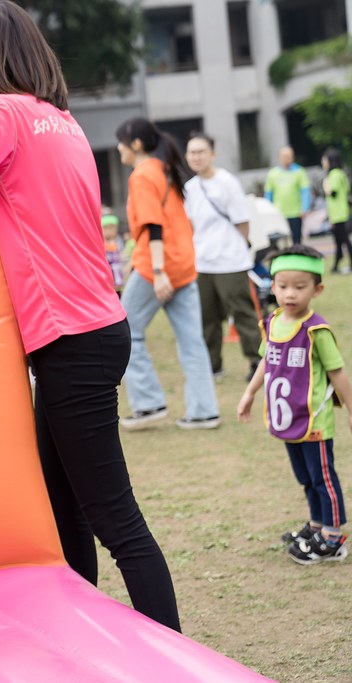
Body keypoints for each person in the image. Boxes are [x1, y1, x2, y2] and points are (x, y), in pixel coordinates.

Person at [0, 0, 181, 632]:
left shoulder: (5, 112)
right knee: (65, 504)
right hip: (94, 328)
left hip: (71, 337)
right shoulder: (59, 121)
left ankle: (173, 657)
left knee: (113, 517)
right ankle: (83, 630)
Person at [238, 245, 348, 564]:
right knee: (305, 477)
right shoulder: (272, 322)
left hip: (314, 420)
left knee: (323, 478)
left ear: (317, 289)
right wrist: (249, 393)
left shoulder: (316, 330)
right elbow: (267, 361)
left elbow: (337, 373)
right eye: (283, 285)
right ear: (272, 286)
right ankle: (316, 525)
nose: (290, 294)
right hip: (288, 418)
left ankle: (333, 538)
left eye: (300, 287)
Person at [115, 117, 220, 431]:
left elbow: (154, 226)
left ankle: (148, 403)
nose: (118, 147)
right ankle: (204, 411)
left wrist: (158, 271)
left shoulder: (143, 174)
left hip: (158, 266)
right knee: (192, 340)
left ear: (135, 144)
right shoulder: (164, 168)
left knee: (125, 331)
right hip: (182, 263)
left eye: (121, 141)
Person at [184, 132, 261, 382]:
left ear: (212, 155)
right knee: (207, 317)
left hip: (230, 261)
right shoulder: (190, 188)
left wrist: (239, 248)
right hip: (202, 263)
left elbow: (242, 221)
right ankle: (213, 365)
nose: (196, 157)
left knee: (242, 313)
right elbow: (190, 225)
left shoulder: (227, 182)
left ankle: (257, 362)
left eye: (201, 152)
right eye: (192, 152)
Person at [264, 145, 311, 245]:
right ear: (279, 158)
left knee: (296, 240)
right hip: (278, 213)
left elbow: (305, 191)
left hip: (296, 213)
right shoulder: (272, 173)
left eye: (289, 156)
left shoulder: (299, 172)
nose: (287, 158)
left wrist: (305, 208)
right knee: (280, 242)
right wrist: (268, 210)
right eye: (284, 156)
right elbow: (268, 194)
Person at [321, 148, 351, 273]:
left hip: (339, 214)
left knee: (344, 241)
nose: (323, 162)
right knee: (339, 241)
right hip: (342, 212)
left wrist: (325, 184)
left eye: (324, 159)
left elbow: (332, 193)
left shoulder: (333, 175)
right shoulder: (341, 173)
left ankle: (339, 264)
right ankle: (335, 266)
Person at [102, 212, 127, 295]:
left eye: (112, 228)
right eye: (106, 228)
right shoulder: (100, 243)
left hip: (119, 278)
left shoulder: (120, 242)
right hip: (107, 279)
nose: (109, 231)